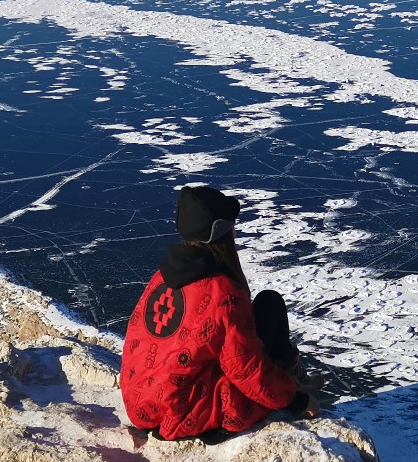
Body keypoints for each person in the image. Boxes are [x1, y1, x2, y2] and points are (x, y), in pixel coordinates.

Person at [120, 185, 314, 442]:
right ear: (222, 232)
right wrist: (298, 401)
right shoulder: (221, 292)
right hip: (187, 413)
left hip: (142, 406)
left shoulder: (161, 279)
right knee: (270, 305)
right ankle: (294, 385)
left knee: (263, 309)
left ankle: (292, 382)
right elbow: (245, 369)